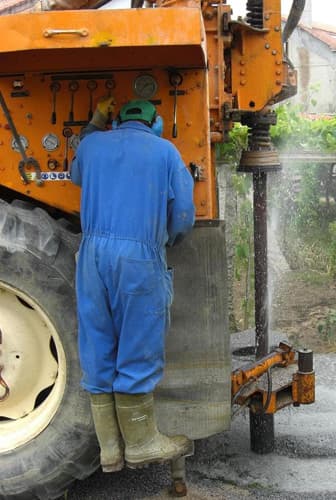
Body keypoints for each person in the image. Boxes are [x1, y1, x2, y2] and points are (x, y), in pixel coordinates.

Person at [71, 97, 195, 472]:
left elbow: (76, 174)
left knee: (97, 341)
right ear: (155, 122)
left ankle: (109, 450)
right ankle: (141, 444)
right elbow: (184, 215)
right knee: (138, 342)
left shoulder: (91, 145)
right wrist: (169, 238)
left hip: (91, 255)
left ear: (118, 119)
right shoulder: (165, 152)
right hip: (138, 257)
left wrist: (94, 123)